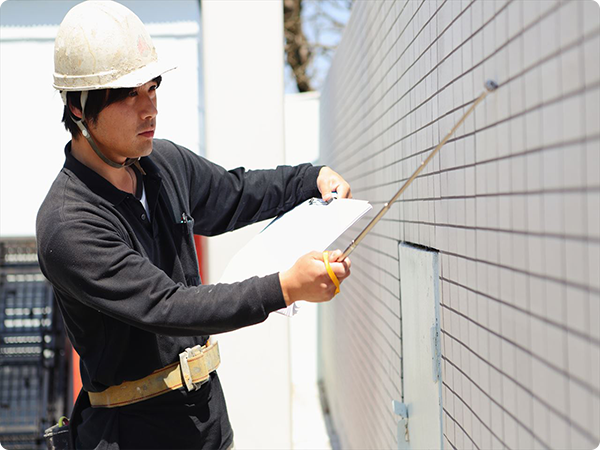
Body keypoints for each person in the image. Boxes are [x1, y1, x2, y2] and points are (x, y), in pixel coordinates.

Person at [36, 1, 352, 449]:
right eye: (129, 94)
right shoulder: (68, 224)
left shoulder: (160, 163)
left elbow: (235, 195)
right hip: (135, 435)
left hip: (206, 424)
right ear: (79, 108)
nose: (150, 109)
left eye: (153, 88)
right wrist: (284, 287)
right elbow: (169, 308)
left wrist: (309, 178)